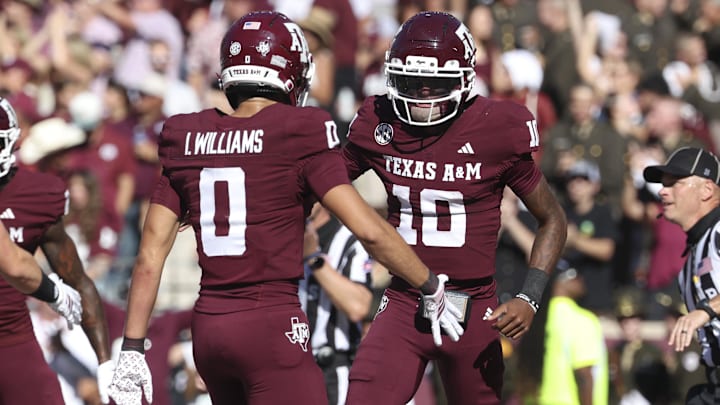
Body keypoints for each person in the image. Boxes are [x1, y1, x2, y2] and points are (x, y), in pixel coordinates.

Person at [108, 11, 463, 405]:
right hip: (270, 326)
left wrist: (131, 347)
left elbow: (149, 256)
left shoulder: (185, 135)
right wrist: (430, 285)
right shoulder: (299, 130)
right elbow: (369, 230)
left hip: (209, 328)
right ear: (291, 72)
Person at [341, 11, 568, 404]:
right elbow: (322, 184)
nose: (421, 96)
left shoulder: (496, 127)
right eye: (412, 82)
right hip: (403, 301)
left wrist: (530, 295)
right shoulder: (379, 123)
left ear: (465, 80)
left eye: (435, 85)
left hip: (474, 305)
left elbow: (552, 218)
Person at [0, 96, 113, 404]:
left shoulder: (38, 194)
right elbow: (12, 263)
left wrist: (105, 363)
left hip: (10, 337)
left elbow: (77, 279)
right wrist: (53, 292)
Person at [643, 146, 720, 404]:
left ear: (707, 190)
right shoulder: (691, 260)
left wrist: (706, 310)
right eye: (663, 184)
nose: (663, 191)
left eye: (675, 183)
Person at [301, 203, 373, 405]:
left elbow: (358, 306)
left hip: (332, 371)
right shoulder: (280, 239)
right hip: (290, 371)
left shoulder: (348, 241)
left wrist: (313, 258)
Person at [514, 261, 609, 405]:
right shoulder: (582, 318)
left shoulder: (538, 319)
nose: (581, 279)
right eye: (574, 275)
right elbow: (583, 375)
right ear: (559, 283)